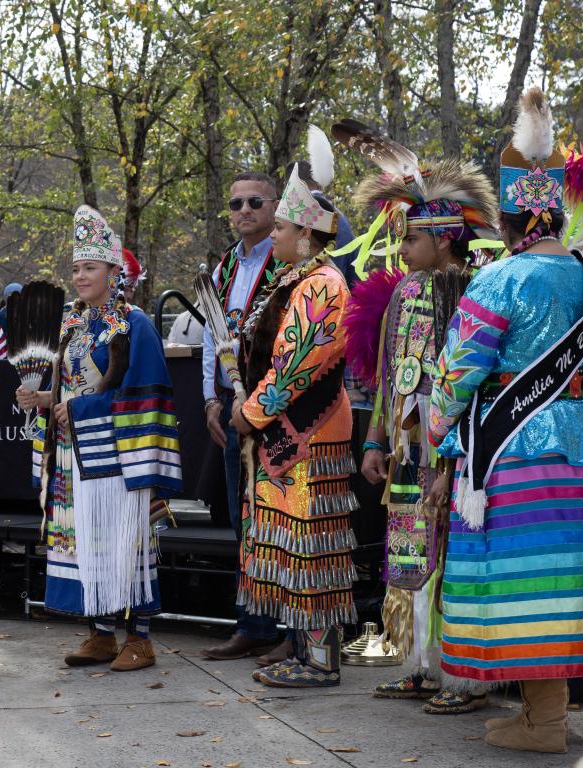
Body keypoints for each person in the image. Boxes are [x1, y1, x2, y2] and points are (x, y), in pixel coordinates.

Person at [426, 89, 583, 753]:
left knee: (516, 579)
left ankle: (546, 724)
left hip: (516, 448)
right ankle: (545, 714)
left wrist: (432, 431)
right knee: (553, 577)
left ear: (509, 221)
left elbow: (460, 372)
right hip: (577, 440)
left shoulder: (500, 279)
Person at [344, 155, 499, 713]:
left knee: (455, 552)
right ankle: (420, 664)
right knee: (410, 551)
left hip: (455, 449)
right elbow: (390, 375)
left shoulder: (473, 290)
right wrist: (375, 440)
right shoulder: (405, 295)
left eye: (411, 238)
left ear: (444, 237)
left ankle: (464, 674)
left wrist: (452, 456)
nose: (402, 249)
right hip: (408, 447)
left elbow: (472, 381)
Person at [16, 205, 182, 671]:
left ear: (114, 270)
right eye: (75, 268)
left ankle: (141, 639)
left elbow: (145, 397)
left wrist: (78, 407)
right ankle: (101, 634)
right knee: (85, 542)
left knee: (125, 540)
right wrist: (43, 399)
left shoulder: (134, 325)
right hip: (74, 455)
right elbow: (70, 390)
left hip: (118, 456)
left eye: (90, 267)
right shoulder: (72, 324)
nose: (80, 276)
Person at [228, 163, 357, 687]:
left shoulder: (322, 286)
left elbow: (296, 365)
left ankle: (321, 660)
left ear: (306, 236)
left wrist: (248, 414)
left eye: (280, 226)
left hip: (310, 432)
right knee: (292, 542)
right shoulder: (295, 281)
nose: (272, 233)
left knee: (313, 540)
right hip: (286, 432)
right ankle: (305, 651)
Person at [199, 170, 286, 662]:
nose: (244, 210)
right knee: (244, 522)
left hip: (284, 411)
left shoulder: (293, 259)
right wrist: (210, 400)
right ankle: (253, 624)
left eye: (255, 201)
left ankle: (296, 633)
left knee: (287, 519)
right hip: (234, 411)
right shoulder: (224, 269)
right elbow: (214, 338)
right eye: (235, 204)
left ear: (275, 206)